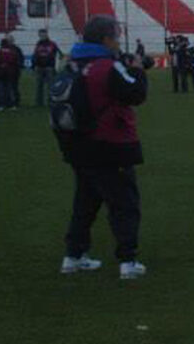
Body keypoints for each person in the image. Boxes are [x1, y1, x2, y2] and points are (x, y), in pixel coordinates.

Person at [60, 15, 148, 280]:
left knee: (85, 203)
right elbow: (136, 93)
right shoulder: (105, 66)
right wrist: (137, 69)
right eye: (116, 36)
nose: (118, 41)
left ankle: (73, 256)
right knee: (124, 203)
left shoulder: (72, 63)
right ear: (105, 38)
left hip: (77, 143)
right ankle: (128, 261)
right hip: (109, 144)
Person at [33, 29, 61, 107]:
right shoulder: (38, 44)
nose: (42, 36)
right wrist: (34, 65)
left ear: (47, 34)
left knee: (50, 86)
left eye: (44, 34)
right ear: (39, 35)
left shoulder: (52, 44)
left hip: (49, 67)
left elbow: (58, 54)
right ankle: (39, 103)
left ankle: (50, 101)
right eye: (41, 35)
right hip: (39, 67)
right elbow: (35, 55)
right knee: (39, 86)